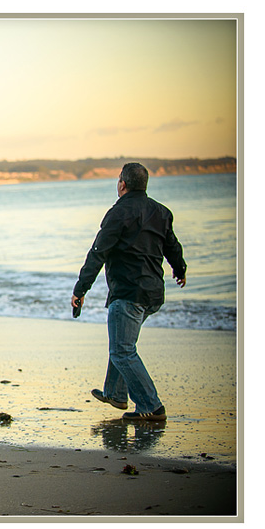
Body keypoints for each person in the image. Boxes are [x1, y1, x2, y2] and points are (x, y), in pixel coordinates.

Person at [72, 163, 187, 421]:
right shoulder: (161, 212)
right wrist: (180, 270)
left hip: (128, 292)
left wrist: (80, 289)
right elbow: (172, 246)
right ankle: (116, 393)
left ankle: (151, 406)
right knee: (122, 344)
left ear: (122, 184)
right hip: (154, 293)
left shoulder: (118, 213)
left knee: (123, 350)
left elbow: (98, 253)